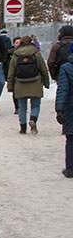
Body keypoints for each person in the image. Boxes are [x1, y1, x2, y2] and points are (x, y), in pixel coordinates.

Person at [7, 36, 49, 134]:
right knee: (35, 105)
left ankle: (23, 127)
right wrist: (46, 82)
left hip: (20, 82)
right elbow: (43, 69)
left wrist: (10, 85)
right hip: (35, 82)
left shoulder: (16, 55)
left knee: (22, 106)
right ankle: (33, 119)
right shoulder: (36, 53)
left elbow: (11, 71)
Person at [55, 43, 73, 177]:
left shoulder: (66, 68)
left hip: (71, 107)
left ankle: (70, 169)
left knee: (71, 138)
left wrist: (59, 109)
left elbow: (63, 89)